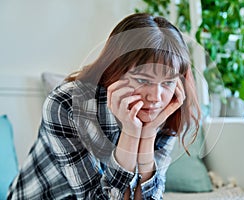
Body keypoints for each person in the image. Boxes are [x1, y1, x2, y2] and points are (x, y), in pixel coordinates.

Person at [7, 13, 201, 200]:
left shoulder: (167, 111)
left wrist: (148, 134)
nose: (156, 97)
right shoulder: (66, 104)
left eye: (167, 82)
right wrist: (130, 133)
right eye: (143, 79)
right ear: (115, 71)